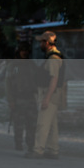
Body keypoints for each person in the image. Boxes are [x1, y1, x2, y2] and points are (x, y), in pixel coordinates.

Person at [26, 31, 64, 159]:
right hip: (53, 94)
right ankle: (53, 150)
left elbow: (54, 79)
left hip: (49, 93)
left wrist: (46, 98)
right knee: (52, 124)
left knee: (42, 123)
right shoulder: (53, 56)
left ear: (47, 43)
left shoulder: (53, 58)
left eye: (41, 42)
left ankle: (38, 150)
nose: (40, 45)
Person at [5, 41, 38, 152]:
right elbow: (8, 84)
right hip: (18, 98)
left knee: (31, 124)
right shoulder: (13, 66)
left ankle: (30, 145)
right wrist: (11, 100)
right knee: (18, 124)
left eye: (26, 50)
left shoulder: (31, 65)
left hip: (30, 98)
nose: (24, 52)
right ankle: (18, 143)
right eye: (22, 50)